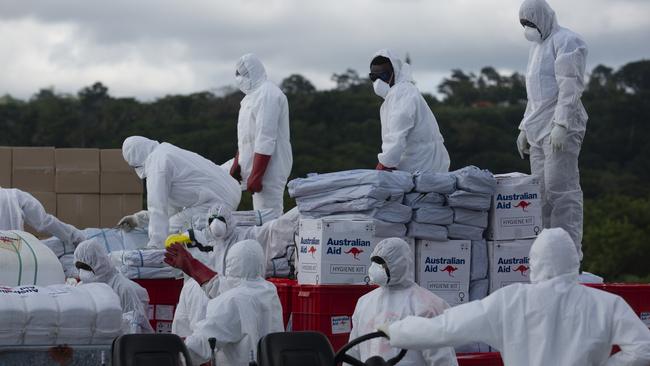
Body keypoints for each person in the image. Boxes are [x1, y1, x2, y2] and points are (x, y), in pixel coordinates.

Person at [381, 228, 650, 366]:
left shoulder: (510, 301)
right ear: (572, 262)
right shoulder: (606, 304)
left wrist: (396, 330)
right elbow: (644, 349)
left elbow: (444, 329)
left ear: (534, 262)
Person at [515, 0, 588, 259]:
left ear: (543, 18)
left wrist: (562, 123)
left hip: (560, 128)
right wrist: (525, 127)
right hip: (537, 130)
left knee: (562, 191)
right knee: (541, 196)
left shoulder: (567, 41)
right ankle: (547, 257)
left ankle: (569, 257)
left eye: (531, 23)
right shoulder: (537, 48)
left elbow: (570, 86)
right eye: (524, 24)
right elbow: (535, 96)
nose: (528, 29)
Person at [168, 239, 283, 366]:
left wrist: (169, 354)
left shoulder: (232, 301)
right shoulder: (268, 291)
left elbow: (202, 344)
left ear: (230, 264)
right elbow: (225, 286)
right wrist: (191, 265)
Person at [346, 238, 457, 366]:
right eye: (374, 261)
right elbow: (352, 353)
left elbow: (442, 360)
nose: (376, 267)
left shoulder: (425, 305)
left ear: (400, 264)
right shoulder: (364, 303)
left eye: (382, 262)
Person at [118, 136, 241, 249]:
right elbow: (170, 210)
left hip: (218, 202)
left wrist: (155, 246)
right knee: (173, 224)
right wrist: (139, 219)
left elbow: (158, 208)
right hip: (231, 189)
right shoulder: (166, 151)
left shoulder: (156, 165)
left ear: (136, 160)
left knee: (172, 231)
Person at [228, 53, 292, 218]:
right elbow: (246, 138)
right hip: (250, 164)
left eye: (243, 74)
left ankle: (273, 244)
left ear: (254, 71)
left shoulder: (269, 94)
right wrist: (237, 163)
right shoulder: (248, 99)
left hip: (270, 169)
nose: (239, 78)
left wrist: (257, 175)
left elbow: (265, 138)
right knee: (215, 180)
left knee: (267, 216)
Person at [370, 49, 450, 174]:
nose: (378, 81)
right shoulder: (397, 94)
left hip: (421, 166)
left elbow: (397, 134)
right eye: (374, 77)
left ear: (394, 72)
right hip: (423, 165)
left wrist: (385, 164)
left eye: (383, 76)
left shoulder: (402, 93)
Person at [73, 238, 154, 334]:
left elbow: (133, 327)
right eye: (79, 268)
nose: (82, 272)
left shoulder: (122, 288)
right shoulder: (82, 287)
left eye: (86, 267)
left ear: (99, 263)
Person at [0, 187, 85, 244]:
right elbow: (45, 222)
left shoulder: (14, 196)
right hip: (14, 255)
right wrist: (76, 236)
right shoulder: (14, 195)